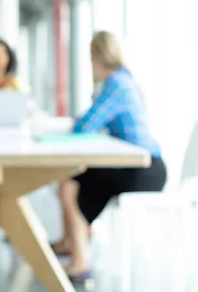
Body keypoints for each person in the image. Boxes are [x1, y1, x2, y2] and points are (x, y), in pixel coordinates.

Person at [50, 31, 167, 281]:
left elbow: (85, 126)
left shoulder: (116, 84)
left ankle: (79, 259)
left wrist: (80, 120)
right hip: (145, 165)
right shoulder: (125, 80)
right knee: (78, 178)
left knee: (70, 182)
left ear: (97, 57)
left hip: (143, 170)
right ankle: (72, 240)